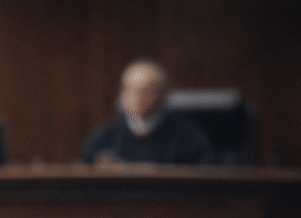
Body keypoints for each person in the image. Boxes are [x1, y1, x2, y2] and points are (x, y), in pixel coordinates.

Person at [81, 59, 214, 166]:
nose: (140, 99)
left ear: (162, 95)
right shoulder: (105, 136)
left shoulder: (188, 138)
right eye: (134, 91)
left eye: (148, 92)